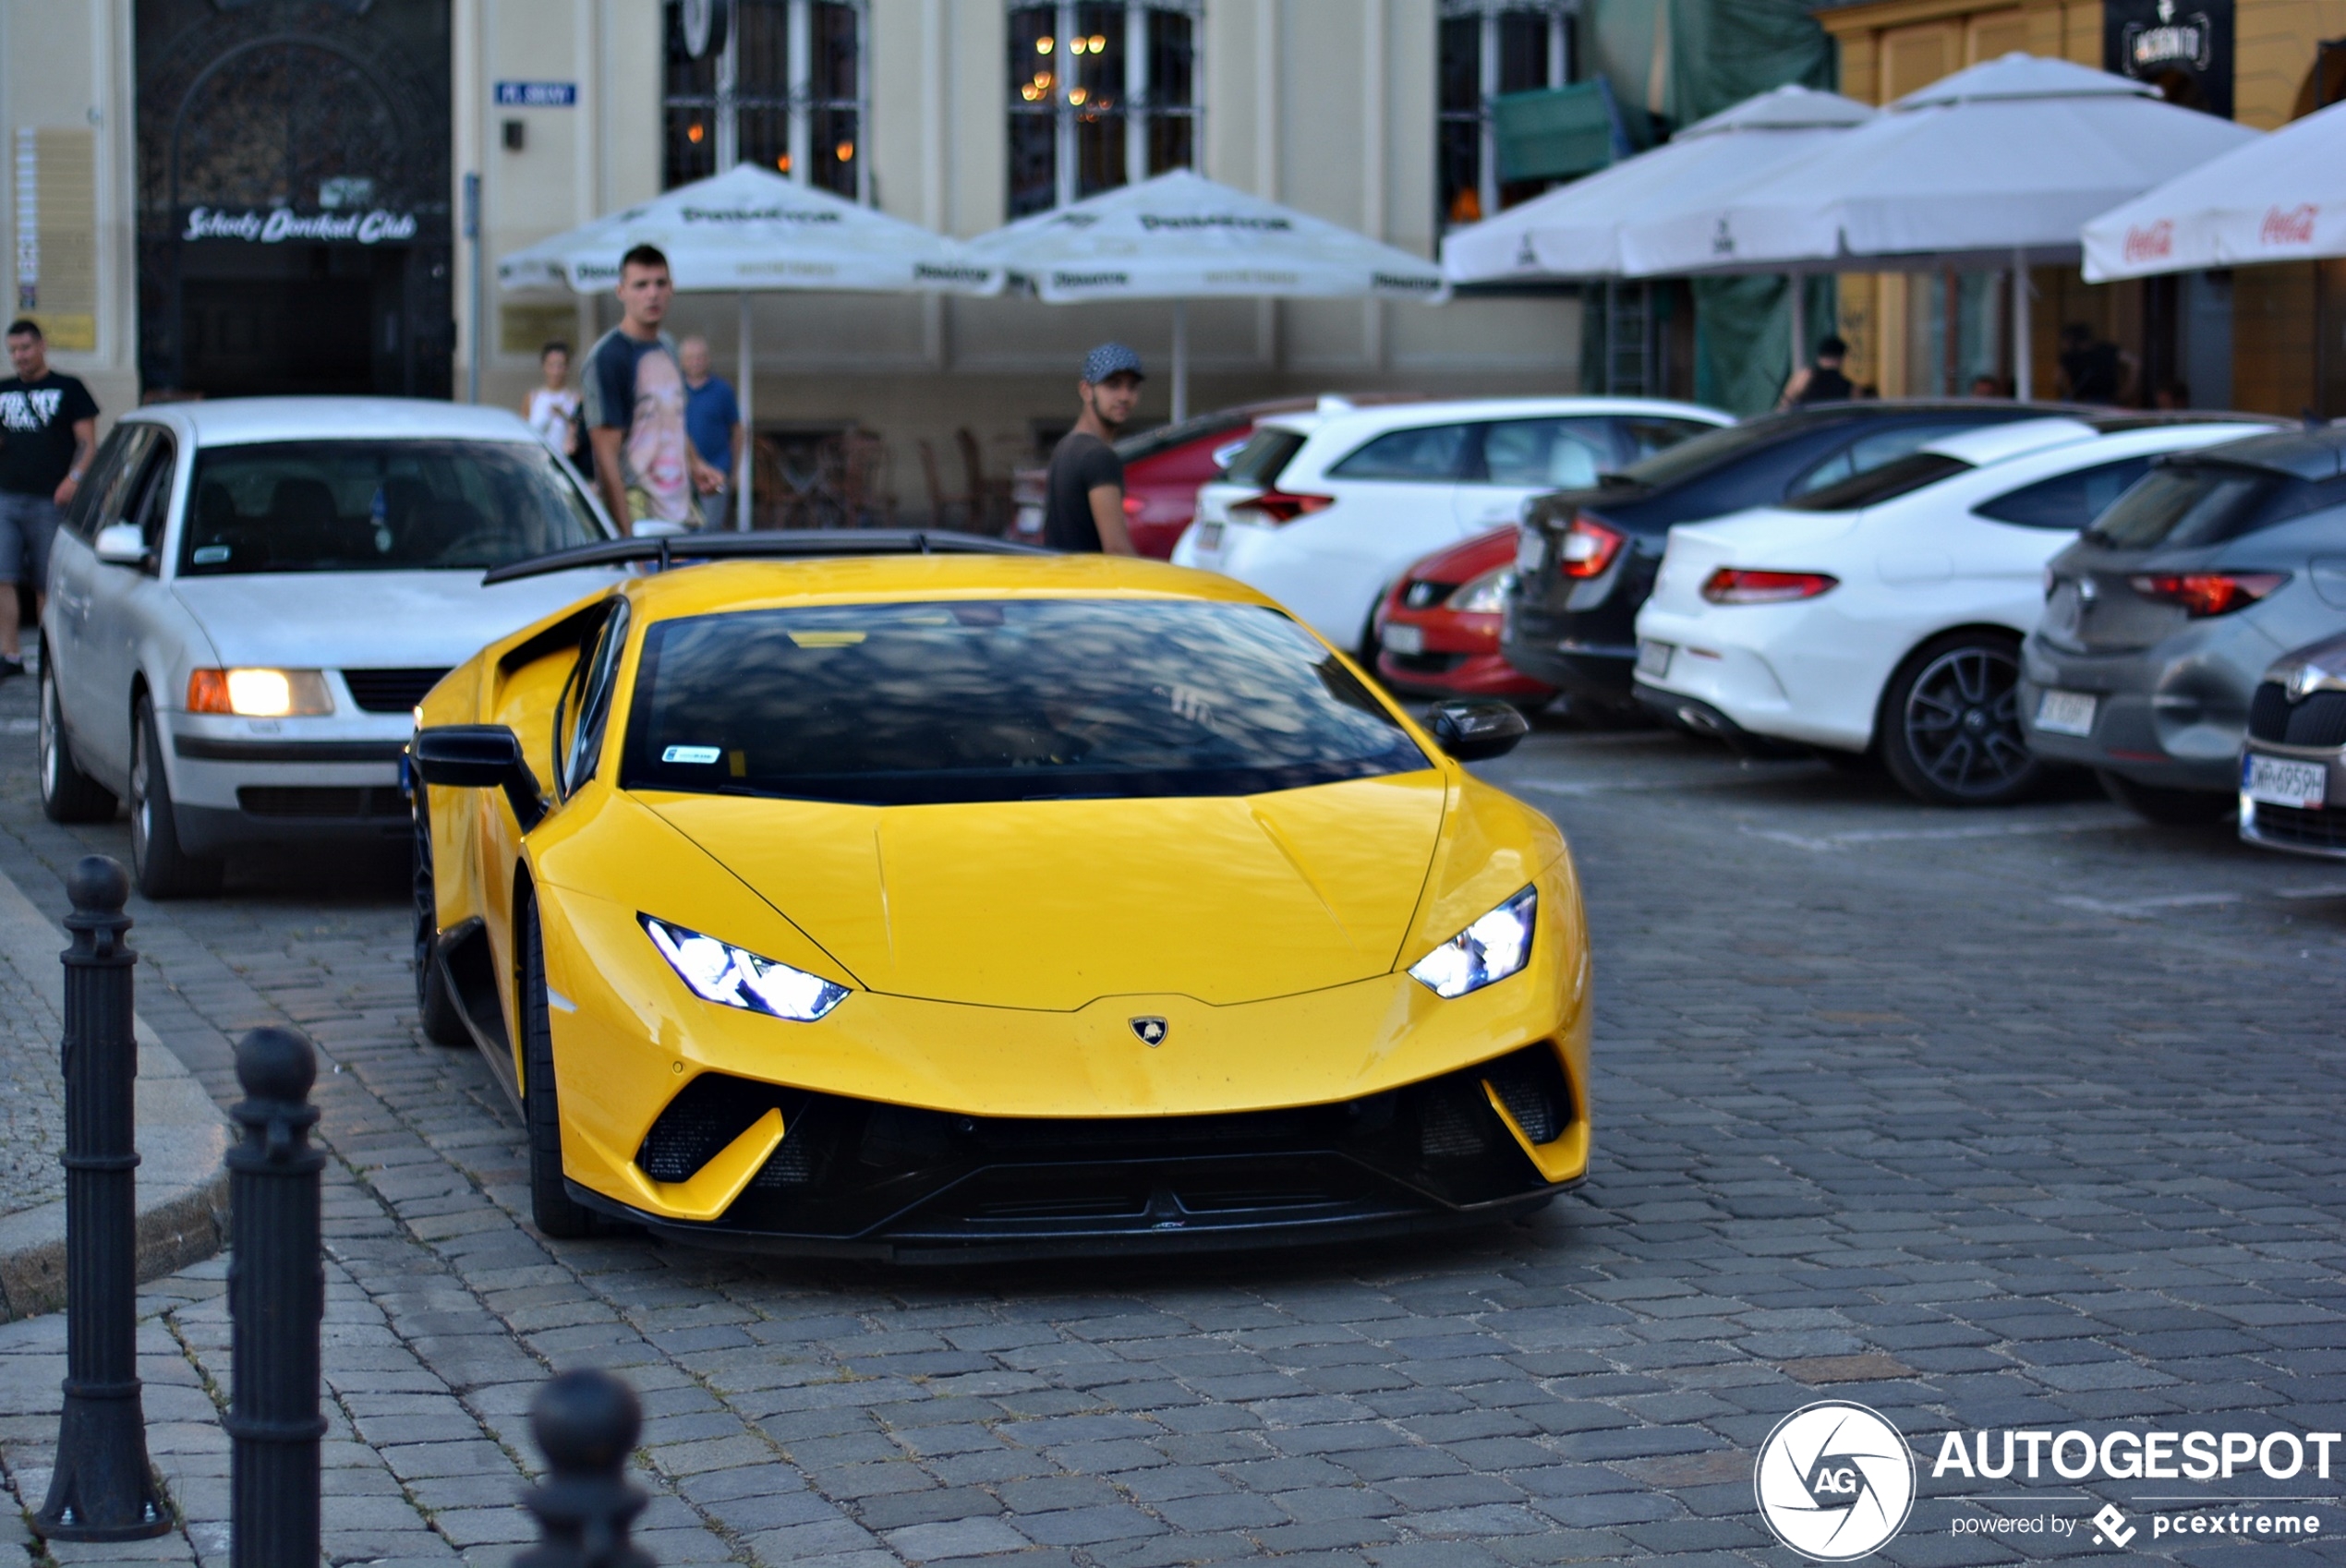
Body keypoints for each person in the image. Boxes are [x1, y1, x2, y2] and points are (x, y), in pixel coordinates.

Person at [580, 246, 722, 532]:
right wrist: (626, 542)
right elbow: (605, 456)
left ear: (672, 288)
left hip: (682, 512)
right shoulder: (609, 357)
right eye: (641, 285)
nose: (652, 293)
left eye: (660, 283)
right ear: (621, 291)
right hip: (640, 519)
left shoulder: (668, 346)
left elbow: (672, 420)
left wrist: (696, 464)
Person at [0, 320, 98, 679]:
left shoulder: (68, 388)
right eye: (13, 350)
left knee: (46, 580)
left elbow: (87, 442)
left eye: (25, 348)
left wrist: (73, 479)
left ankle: (48, 655)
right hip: (6, 497)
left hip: (50, 499)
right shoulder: (4, 390)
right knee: (3, 577)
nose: (19, 357)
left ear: (41, 346)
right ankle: (9, 654)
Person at [1042, 343, 1143, 555]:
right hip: (1093, 584)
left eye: (1132, 386)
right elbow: (1116, 550)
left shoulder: (1066, 447)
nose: (1124, 396)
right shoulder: (1099, 457)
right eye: (1113, 385)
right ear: (1086, 390)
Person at [678, 334, 742, 530]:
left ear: (708, 359)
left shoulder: (723, 390)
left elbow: (738, 431)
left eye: (701, 357)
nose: (696, 362)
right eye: (691, 357)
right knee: (681, 527)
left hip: (716, 470)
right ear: (682, 362)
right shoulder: (674, 389)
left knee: (710, 528)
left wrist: (735, 470)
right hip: (680, 472)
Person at [523, 342, 580, 462]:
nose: (556, 371)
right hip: (537, 462)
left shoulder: (575, 399)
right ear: (544, 366)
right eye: (551, 365)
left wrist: (564, 416)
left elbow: (580, 434)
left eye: (561, 365)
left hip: (566, 463)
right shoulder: (533, 397)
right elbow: (524, 433)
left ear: (567, 367)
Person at [2058, 323, 2135, 405]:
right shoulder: (2106, 349)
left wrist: (2127, 391)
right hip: (2087, 400)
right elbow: (2135, 362)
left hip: (2102, 400)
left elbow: (2058, 379)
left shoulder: (2105, 350)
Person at [1777, 335, 1855, 409]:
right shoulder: (1849, 385)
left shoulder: (1805, 376)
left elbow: (1784, 405)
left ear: (1819, 357)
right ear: (1842, 358)